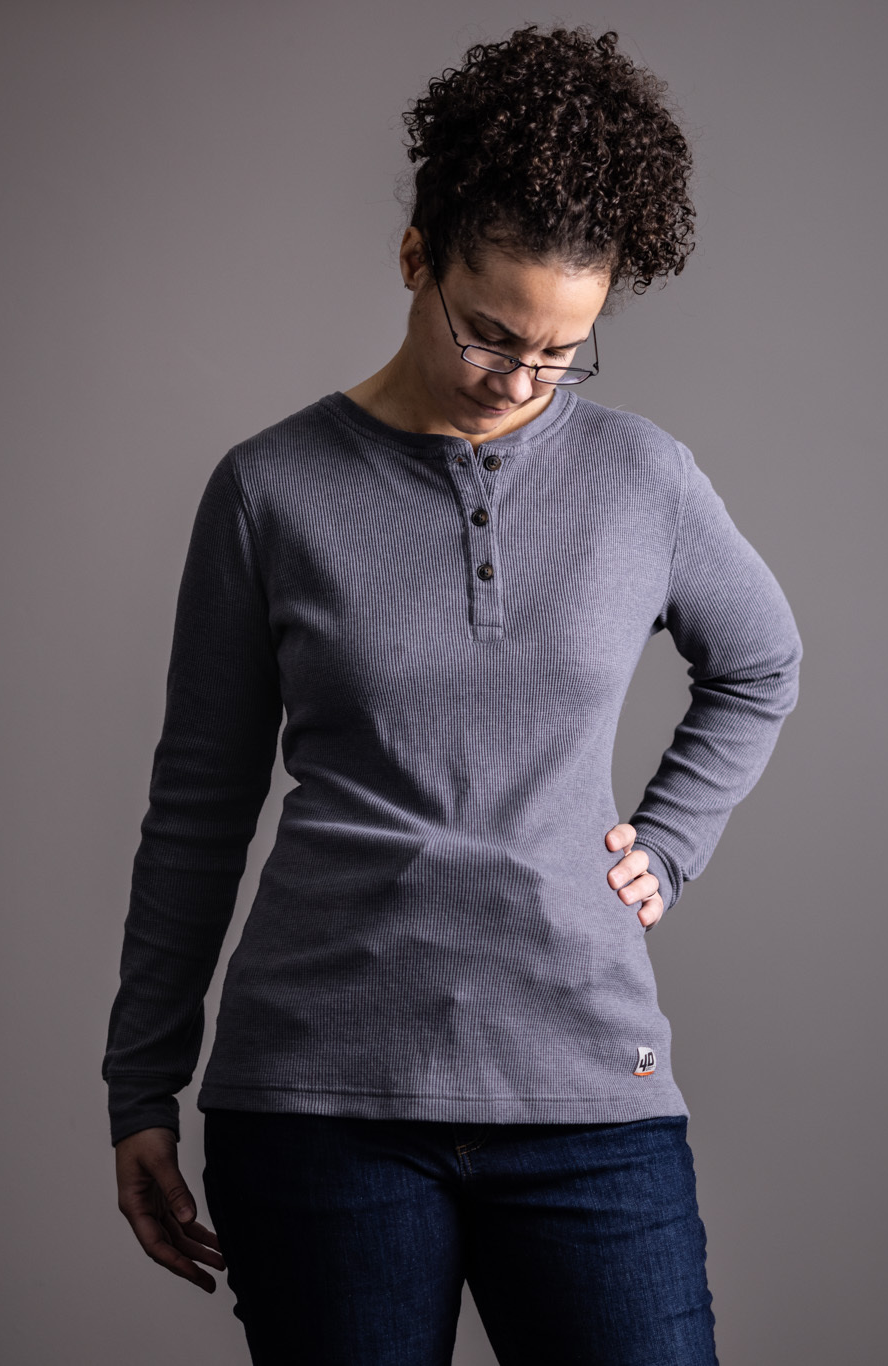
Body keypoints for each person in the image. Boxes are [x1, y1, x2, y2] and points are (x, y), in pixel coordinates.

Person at [101, 26, 801, 1365]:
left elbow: (761, 660)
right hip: (317, 1108)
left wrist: (671, 841)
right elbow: (196, 809)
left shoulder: (643, 478)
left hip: (588, 1092)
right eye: (492, 337)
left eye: (563, 353)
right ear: (418, 258)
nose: (522, 382)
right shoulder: (271, 489)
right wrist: (139, 1081)